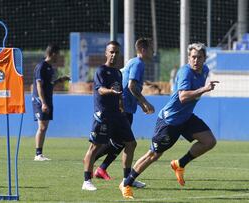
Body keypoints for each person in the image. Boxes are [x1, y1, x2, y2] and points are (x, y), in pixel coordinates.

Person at [119, 43, 219, 199]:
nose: (196, 60)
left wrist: (203, 89)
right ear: (188, 58)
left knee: (209, 141)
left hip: (186, 118)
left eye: (199, 57)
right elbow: (183, 97)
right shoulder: (185, 72)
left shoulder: (205, 70)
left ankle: (180, 164)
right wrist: (204, 89)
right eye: (193, 57)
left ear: (204, 59)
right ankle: (126, 183)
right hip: (170, 121)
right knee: (153, 155)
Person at [93, 38, 155, 188]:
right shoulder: (138, 63)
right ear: (144, 50)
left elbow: (131, 87)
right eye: (152, 49)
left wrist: (140, 104)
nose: (154, 51)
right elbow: (131, 86)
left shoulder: (136, 63)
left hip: (126, 106)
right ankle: (95, 162)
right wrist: (145, 102)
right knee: (124, 142)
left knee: (121, 143)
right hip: (123, 108)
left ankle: (103, 169)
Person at [82, 41, 137, 191]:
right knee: (95, 146)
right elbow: (100, 90)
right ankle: (86, 181)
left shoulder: (118, 73)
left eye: (116, 52)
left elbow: (119, 92)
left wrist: (120, 105)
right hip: (103, 114)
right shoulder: (101, 70)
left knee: (131, 143)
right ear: (106, 53)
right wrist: (111, 91)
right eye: (111, 52)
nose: (114, 55)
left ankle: (127, 179)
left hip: (117, 115)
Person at [32, 44, 70, 161]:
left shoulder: (49, 67)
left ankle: (40, 153)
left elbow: (49, 84)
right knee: (42, 127)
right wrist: (43, 102)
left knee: (44, 127)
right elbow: (39, 85)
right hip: (40, 101)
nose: (59, 57)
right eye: (58, 54)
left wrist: (60, 80)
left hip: (48, 100)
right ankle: (38, 154)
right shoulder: (41, 66)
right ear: (53, 53)